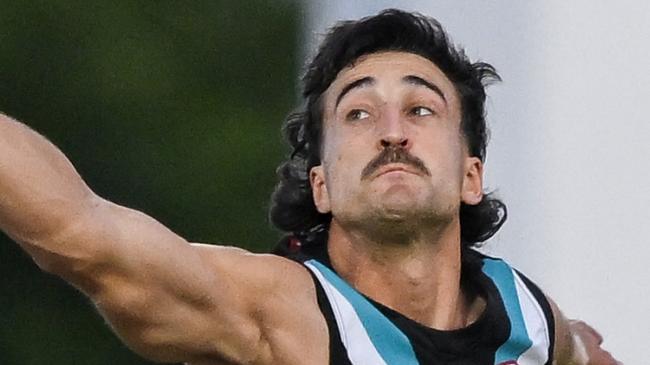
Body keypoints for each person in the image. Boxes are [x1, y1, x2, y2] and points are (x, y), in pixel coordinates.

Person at [0, 9, 619, 365]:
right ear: (321, 185)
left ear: (470, 175)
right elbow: (80, 231)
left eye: (422, 110)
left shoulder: (532, 322)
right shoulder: (282, 320)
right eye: (358, 114)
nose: (392, 133)